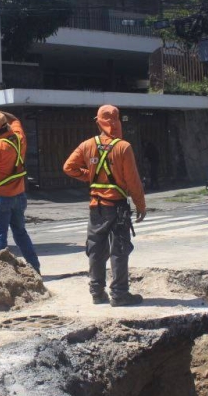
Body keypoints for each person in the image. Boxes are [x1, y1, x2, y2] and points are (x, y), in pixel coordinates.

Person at [63, 105, 147, 306]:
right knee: (119, 249)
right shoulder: (123, 147)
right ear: (117, 122)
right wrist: (140, 205)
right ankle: (119, 294)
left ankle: (97, 292)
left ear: (98, 122)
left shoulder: (87, 145)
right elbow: (133, 180)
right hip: (117, 207)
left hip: (96, 207)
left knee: (96, 249)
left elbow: (68, 167)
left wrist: (90, 176)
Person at [0, 110, 40, 273]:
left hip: (1, 198)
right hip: (19, 196)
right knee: (21, 234)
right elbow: (15, 118)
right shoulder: (19, 138)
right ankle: (35, 269)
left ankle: (5, 273)